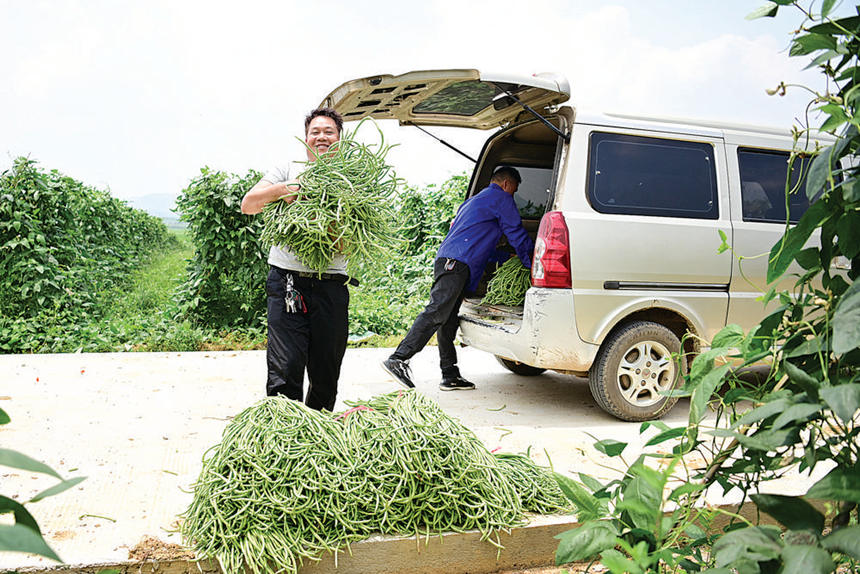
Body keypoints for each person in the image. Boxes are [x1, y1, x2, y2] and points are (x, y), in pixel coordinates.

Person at [381, 166, 535, 391]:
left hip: (448, 260)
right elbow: (517, 233)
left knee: (448, 319)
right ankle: (399, 358)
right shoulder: (501, 198)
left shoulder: (473, 202)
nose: (513, 195)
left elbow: (477, 242)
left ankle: (450, 375)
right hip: (457, 264)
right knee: (437, 311)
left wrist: (505, 256)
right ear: (506, 184)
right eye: (514, 190)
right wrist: (531, 263)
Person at [240, 107, 351, 411]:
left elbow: (348, 243)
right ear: (305, 138)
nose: (321, 137)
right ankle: (283, 432)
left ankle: (319, 435)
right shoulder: (287, 169)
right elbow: (248, 204)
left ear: (339, 139)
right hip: (287, 282)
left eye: (329, 132)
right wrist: (284, 190)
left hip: (331, 285)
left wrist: (324, 221)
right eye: (315, 132)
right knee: (285, 368)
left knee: (326, 372)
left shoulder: (352, 180)